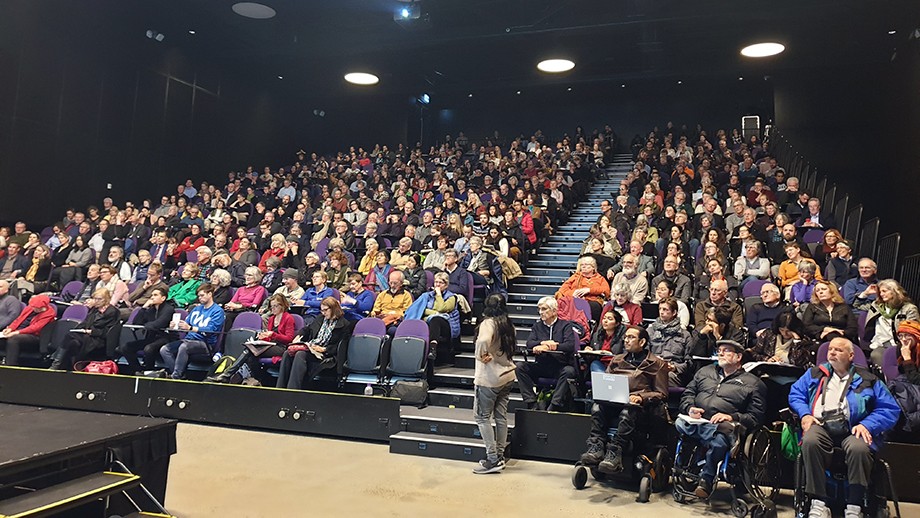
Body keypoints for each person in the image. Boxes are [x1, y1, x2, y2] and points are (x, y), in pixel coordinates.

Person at [788, 337, 900, 518]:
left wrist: (867, 424)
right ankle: (818, 502)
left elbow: (889, 409)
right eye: (830, 349)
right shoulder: (815, 373)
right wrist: (805, 414)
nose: (832, 352)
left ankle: (855, 506)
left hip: (854, 428)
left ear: (851, 355)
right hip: (821, 425)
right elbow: (795, 394)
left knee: (858, 448)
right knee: (810, 440)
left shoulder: (868, 379)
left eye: (838, 350)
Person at [676, 340, 767, 498]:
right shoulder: (704, 372)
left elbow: (755, 417)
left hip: (728, 425)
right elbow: (688, 394)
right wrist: (689, 408)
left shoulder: (753, 383)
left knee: (721, 439)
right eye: (719, 350)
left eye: (726, 351)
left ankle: (706, 480)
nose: (721, 353)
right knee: (679, 423)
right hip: (697, 422)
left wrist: (730, 416)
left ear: (738, 357)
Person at [580, 325, 670, 474]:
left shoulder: (657, 364)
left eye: (631, 337)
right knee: (597, 407)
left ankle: (615, 451)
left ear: (642, 342)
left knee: (628, 412)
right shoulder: (617, 360)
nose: (626, 340)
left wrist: (641, 397)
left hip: (640, 408)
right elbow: (607, 380)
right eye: (626, 337)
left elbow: (662, 393)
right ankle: (596, 447)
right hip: (614, 402)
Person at [472, 294, 517, 474]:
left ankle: (492, 458)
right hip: (507, 375)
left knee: (482, 417)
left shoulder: (488, 323)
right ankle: (499, 455)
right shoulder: (508, 324)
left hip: (489, 379)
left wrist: (480, 355)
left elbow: (483, 340)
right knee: (500, 417)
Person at [210, 294, 296, 384]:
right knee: (250, 351)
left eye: (275, 306)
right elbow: (269, 337)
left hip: (281, 347)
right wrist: (263, 337)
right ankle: (246, 378)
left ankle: (228, 375)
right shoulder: (271, 319)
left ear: (282, 305)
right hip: (271, 345)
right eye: (271, 306)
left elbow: (289, 339)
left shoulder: (288, 318)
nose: (273, 309)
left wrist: (273, 335)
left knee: (251, 351)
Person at [516, 297, 578, 411]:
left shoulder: (565, 326)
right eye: (539, 309)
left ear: (554, 311)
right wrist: (542, 343)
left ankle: (554, 404)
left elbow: (569, 346)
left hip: (560, 365)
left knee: (569, 371)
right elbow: (529, 343)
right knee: (520, 367)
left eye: (544, 309)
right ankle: (532, 402)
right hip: (542, 365)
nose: (541, 312)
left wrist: (553, 346)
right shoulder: (537, 326)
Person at [276, 297, 350, 390]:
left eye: (325, 310)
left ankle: (293, 389)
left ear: (334, 308)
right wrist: (299, 335)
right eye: (322, 310)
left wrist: (324, 349)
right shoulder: (320, 318)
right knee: (288, 353)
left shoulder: (344, 325)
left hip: (326, 354)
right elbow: (307, 329)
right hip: (312, 348)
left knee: (300, 354)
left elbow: (341, 346)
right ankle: (280, 388)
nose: (323, 313)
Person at [159, 284, 226, 380]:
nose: (200, 298)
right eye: (199, 296)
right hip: (189, 340)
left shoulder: (217, 311)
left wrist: (190, 328)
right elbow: (186, 325)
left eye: (202, 295)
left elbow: (211, 330)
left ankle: (176, 376)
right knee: (165, 349)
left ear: (210, 294)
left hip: (205, 343)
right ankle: (179, 375)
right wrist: (176, 325)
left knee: (184, 347)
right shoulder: (196, 309)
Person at [49, 288, 120, 370]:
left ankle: (56, 363)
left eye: (99, 299)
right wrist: (79, 330)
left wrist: (91, 332)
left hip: (98, 340)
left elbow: (108, 332)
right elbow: (85, 323)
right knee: (72, 342)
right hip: (87, 337)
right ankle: (65, 366)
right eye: (95, 298)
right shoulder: (94, 309)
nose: (96, 301)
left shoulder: (112, 312)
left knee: (70, 337)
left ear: (107, 299)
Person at [118, 287, 175, 375]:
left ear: (163, 298)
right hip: (151, 338)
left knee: (149, 349)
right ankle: (138, 370)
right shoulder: (150, 309)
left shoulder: (169, 309)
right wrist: (144, 308)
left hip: (165, 338)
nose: (152, 297)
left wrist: (147, 325)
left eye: (155, 295)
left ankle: (149, 371)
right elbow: (136, 323)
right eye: (151, 295)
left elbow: (159, 324)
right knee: (126, 347)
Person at [404, 272, 460, 362]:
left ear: (446, 285)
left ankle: (432, 348)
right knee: (429, 320)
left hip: (447, 325)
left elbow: (442, 308)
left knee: (436, 320)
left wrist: (438, 295)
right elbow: (420, 309)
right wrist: (435, 312)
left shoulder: (452, 297)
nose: (437, 285)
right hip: (429, 322)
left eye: (440, 283)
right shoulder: (427, 296)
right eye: (436, 282)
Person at [863, 279, 920, 366]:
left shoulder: (909, 308)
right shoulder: (876, 305)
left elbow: (913, 331)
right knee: (876, 355)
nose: (881, 294)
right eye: (880, 292)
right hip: (880, 343)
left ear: (894, 291)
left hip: (899, 344)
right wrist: (865, 293)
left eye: (884, 291)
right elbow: (856, 305)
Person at [648, 297, 693, 386]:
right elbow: (644, 354)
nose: (661, 312)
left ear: (674, 312)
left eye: (665, 309)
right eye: (660, 309)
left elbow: (690, 363)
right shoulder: (650, 331)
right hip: (652, 367)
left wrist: (674, 367)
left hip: (673, 373)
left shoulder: (684, 335)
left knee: (664, 376)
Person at [0, 295, 56, 366]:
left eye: (35, 308)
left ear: (42, 307)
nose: (33, 309)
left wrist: (16, 332)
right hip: (18, 331)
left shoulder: (49, 314)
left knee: (14, 339)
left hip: (34, 336)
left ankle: (11, 365)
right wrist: (10, 328)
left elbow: (34, 328)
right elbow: (18, 319)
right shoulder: (30, 308)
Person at [747, 311, 817, 367]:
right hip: (770, 372)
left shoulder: (804, 340)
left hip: (792, 375)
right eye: (782, 330)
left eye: (788, 331)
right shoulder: (769, 334)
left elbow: (797, 362)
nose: (784, 334)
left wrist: (797, 342)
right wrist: (767, 359)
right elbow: (753, 353)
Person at [888, 321, 920, 442]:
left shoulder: (905, 353)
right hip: (911, 392)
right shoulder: (901, 350)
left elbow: (916, 381)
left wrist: (907, 359)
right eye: (900, 336)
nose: (904, 339)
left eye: (907, 335)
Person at [556, 256, 610, 321]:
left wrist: (589, 290)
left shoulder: (600, 278)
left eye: (586, 264)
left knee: (594, 306)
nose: (584, 266)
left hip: (592, 301)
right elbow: (563, 289)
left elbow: (606, 290)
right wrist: (573, 293)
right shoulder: (575, 276)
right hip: (574, 299)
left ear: (593, 267)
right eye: (582, 265)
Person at [369, 270, 413, 335]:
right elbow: (376, 309)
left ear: (401, 283)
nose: (392, 285)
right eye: (390, 283)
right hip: (382, 319)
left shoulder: (406, 295)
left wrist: (394, 314)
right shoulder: (382, 294)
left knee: (392, 331)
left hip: (395, 321)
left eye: (395, 283)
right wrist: (375, 313)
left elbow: (407, 312)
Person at [584, 305, 626, 373]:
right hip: (601, 364)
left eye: (610, 319)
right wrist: (588, 351)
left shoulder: (623, 337)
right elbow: (592, 355)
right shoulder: (597, 335)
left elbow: (625, 355)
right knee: (594, 364)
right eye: (604, 318)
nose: (605, 321)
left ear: (617, 323)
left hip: (616, 365)